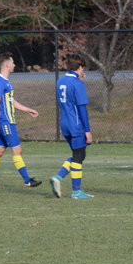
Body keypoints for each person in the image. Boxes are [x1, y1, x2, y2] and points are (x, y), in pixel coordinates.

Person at [0, 52, 42, 189]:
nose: (14, 65)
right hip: (5, 122)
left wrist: (27, 109)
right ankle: (27, 180)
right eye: (12, 62)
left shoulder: (6, 82)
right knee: (17, 149)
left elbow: (11, 101)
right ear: (7, 65)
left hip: (7, 122)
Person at [49, 54, 94, 199]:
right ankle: (75, 191)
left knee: (77, 155)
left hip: (65, 124)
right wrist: (87, 130)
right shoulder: (78, 84)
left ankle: (59, 178)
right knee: (79, 156)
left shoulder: (60, 81)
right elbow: (82, 109)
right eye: (82, 69)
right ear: (80, 67)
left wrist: (78, 79)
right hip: (76, 125)